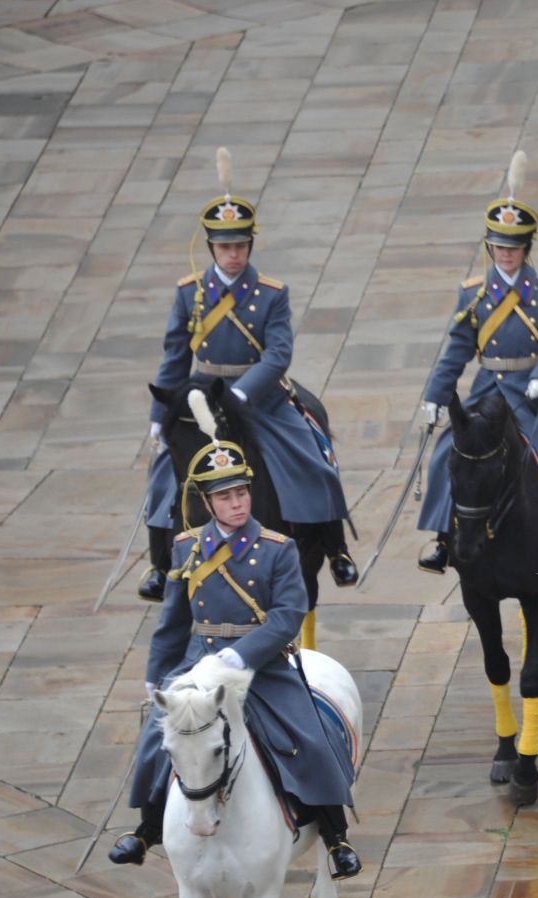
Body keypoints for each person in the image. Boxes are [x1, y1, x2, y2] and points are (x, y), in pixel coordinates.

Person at [111, 442, 360, 880]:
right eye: (225, 497)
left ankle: (336, 835)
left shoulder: (277, 548)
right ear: (208, 502)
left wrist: (239, 655)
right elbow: (173, 620)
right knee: (160, 737)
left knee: (309, 735)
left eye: (242, 493)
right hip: (198, 660)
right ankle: (148, 828)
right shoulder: (187, 547)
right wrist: (156, 676)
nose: (237, 502)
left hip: (259, 664)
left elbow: (287, 616)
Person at [146, 148, 356, 601]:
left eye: (240, 245)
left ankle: (333, 544)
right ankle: (159, 562)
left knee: (310, 458)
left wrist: (241, 395)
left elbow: (278, 354)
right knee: (165, 469)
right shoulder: (190, 293)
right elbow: (174, 356)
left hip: (257, 393)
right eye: (225, 246)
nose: (234, 254)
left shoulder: (271, 294)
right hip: (202, 391)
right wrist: (155, 416)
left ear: (249, 246)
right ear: (211, 248)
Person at [417, 152, 538, 577]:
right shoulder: (472, 294)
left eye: (514, 247)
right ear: (490, 247)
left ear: (526, 248)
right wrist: (434, 395)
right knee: (447, 455)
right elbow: (457, 349)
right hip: (490, 387)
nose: (506, 255)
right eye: (500, 247)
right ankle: (442, 539)